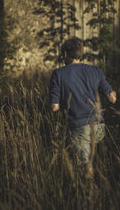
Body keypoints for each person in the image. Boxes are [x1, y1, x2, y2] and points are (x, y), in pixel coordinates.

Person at [49, 37, 116, 178]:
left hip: (80, 129)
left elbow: (54, 107)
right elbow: (112, 98)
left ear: (65, 54)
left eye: (62, 53)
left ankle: (89, 196)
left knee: (85, 172)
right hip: (99, 128)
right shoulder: (96, 71)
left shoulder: (58, 74)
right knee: (100, 165)